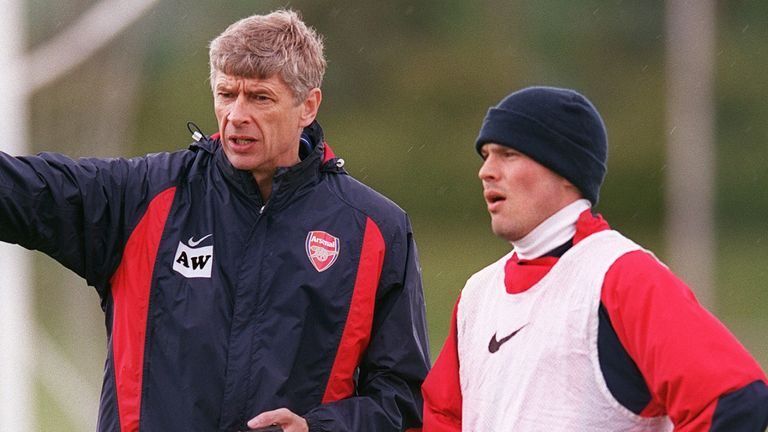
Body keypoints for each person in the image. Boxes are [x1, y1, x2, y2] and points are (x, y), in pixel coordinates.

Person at [0, 9, 430, 432]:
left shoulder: (375, 230)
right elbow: (26, 190)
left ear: (308, 105)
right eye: (227, 94)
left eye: (260, 97)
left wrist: (317, 428)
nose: (236, 115)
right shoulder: (142, 197)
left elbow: (402, 399)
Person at [422, 86, 768, 431]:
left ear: (564, 168)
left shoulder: (623, 275)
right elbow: (441, 418)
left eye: (508, 153)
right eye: (486, 155)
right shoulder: (478, 294)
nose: (486, 171)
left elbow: (734, 401)